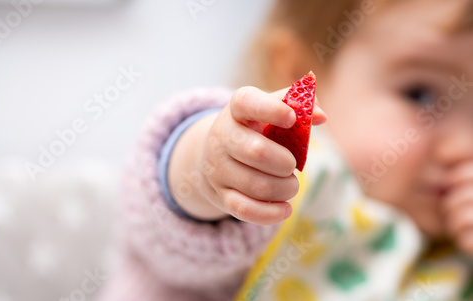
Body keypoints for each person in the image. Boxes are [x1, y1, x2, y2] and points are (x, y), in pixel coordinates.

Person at [97, 0, 473, 300]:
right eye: (421, 95)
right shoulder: (285, 179)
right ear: (301, 70)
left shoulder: (458, 256)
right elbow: (163, 228)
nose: (464, 144)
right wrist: (210, 169)